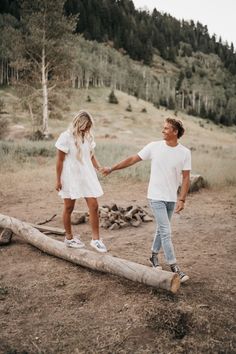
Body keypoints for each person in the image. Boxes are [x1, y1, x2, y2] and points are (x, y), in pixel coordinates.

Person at [101, 118, 191, 282]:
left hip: (171, 198)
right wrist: (112, 168)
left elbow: (186, 178)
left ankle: (153, 257)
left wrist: (182, 199)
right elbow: (132, 159)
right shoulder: (154, 146)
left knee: (162, 229)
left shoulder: (184, 152)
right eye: (163, 128)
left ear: (175, 132)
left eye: (166, 128)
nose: (162, 130)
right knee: (166, 231)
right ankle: (175, 268)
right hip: (155, 196)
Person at [55, 110, 107, 253]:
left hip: (87, 175)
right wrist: (58, 180)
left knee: (94, 205)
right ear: (79, 123)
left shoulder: (88, 137)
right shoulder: (65, 137)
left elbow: (91, 156)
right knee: (69, 208)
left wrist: (99, 168)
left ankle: (96, 240)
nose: (88, 129)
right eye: (86, 125)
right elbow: (59, 160)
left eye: (90, 126)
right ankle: (69, 238)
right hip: (70, 177)